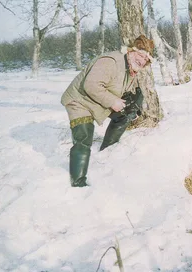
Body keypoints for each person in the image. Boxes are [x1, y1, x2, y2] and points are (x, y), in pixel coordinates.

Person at [61, 35, 154, 187]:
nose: (142, 60)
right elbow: (91, 85)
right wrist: (112, 101)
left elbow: (126, 90)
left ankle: (107, 151)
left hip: (99, 101)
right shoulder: (111, 62)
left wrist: (135, 103)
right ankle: (78, 183)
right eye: (140, 55)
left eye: (146, 59)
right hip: (80, 101)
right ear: (131, 51)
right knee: (84, 138)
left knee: (128, 111)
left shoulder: (131, 69)